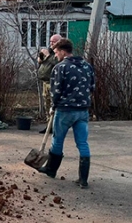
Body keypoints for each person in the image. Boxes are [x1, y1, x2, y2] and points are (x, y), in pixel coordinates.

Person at [37, 38, 95, 188]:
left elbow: (56, 91)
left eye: (56, 53)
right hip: (82, 110)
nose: (55, 56)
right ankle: (83, 179)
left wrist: (53, 106)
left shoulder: (60, 67)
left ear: (63, 51)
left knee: (58, 140)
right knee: (82, 143)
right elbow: (92, 87)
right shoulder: (87, 66)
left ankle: (51, 170)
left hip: (64, 110)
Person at [37, 34, 62, 133]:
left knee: (53, 105)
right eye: (51, 41)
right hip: (45, 82)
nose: (52, 43)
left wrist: (47, 55)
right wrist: (41, 57)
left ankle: (55, 126)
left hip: (53, 83)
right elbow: (42, 62)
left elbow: (57, 63)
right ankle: (49, 126)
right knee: (47, 104)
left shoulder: (60, 52)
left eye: (54, 41)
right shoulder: (50, 51)